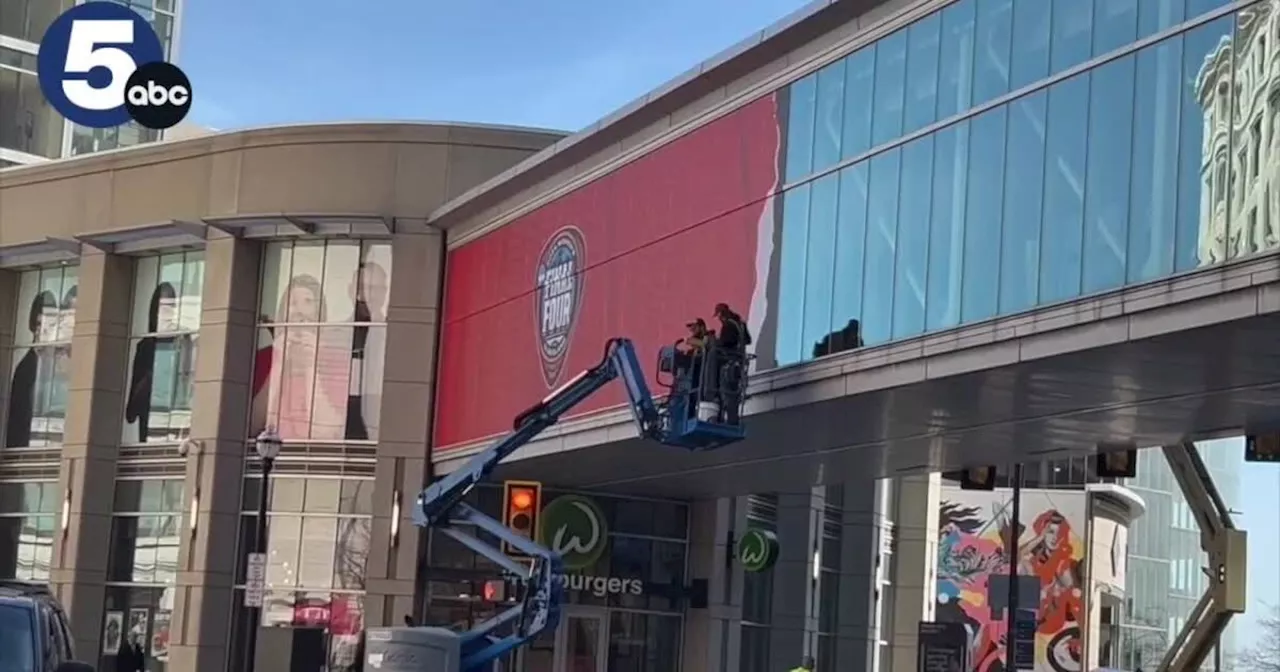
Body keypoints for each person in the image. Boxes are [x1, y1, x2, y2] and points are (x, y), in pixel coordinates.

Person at [712, 303, 749, 423]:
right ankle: (733, 420)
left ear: (721, 314)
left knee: (725, 394)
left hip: (729, 363)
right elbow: (748, 340)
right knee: (734, 394)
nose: (719, 319)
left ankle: (725, 421)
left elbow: (725, 343)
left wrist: (715, 343)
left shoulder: (728, 325)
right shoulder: (740, 324)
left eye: (718, 316)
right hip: (738, 364)